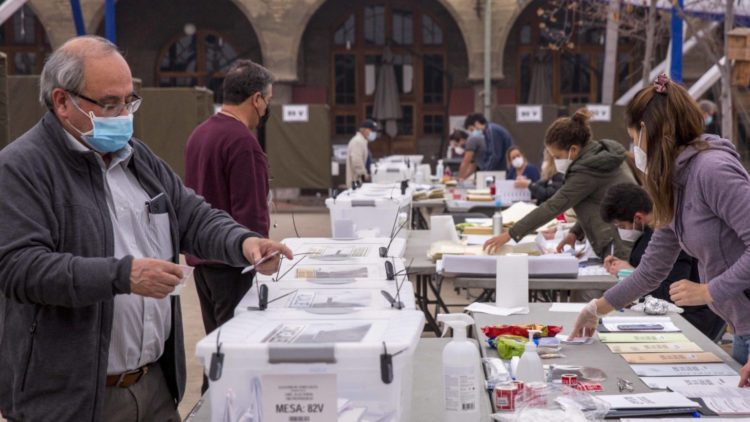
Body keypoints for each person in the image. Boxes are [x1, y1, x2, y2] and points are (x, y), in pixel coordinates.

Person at [0, 36, 293, 422]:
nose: (123, 113)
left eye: (128, 101)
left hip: (153, 386)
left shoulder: (137, 158)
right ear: (62, 101)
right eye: (109, 103)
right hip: (73, 397)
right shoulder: (22, 168)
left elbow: (192, 215)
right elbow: (20, 268)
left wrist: (244, 242)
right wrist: (122, 275)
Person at [570, 74, 750, 388]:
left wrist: (708, 290)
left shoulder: (713, 171)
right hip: (741, 327)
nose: (634, 150)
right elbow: (652, 269)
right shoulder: (676, 182)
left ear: (647, 131)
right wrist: (597, 308)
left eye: (632, 138)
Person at [184, 59, 273, 393]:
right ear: (256, 99)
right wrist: (261, 256)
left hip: (204, 261)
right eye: (268, 99)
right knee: (234, 355)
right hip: (233, 264)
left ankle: (212, 405)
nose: (267, 107)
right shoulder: (242, 141)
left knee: (217, 347)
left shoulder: (200, 133)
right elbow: (249, 215)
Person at [483, 108, 636, 261]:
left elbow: (553, 206)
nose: (556, 161)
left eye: (557, 156)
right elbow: (596, 203)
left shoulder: (587, 170)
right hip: (626, 240)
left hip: (620, 246)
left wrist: (510, 234)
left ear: (573, 150)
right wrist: (575, 233)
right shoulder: (601, 158)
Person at [600, 183, 724, 339]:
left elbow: (671, 291)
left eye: (622, 226)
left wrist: (632, 273)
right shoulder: (647, 234)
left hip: (689, 318)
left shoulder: (668, 238)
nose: (621, 231)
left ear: (638, 217)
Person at [346, 119, 379, 187]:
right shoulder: (357, 141)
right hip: (356, 182)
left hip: (360, 182)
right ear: (364, 130)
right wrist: (365, 176)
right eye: (372, 130)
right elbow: (357, 161)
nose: (373, 133)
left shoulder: (362, 141)